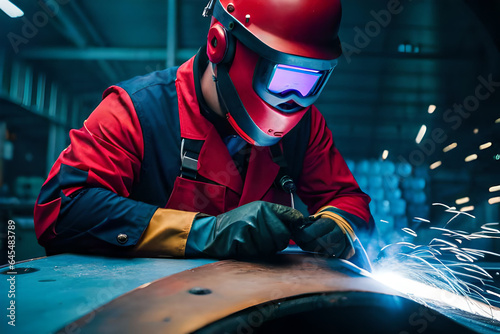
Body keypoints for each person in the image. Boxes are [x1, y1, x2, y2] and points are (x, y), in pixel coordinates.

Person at [34, 0, 374, 261]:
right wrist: (206, 233)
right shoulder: (138, 111)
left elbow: (348, 200)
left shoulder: (304, 126)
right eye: (283, 77)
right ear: (219, 44)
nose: (293, 99)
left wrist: (337, 227)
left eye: (309, 82)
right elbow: (62, 210)